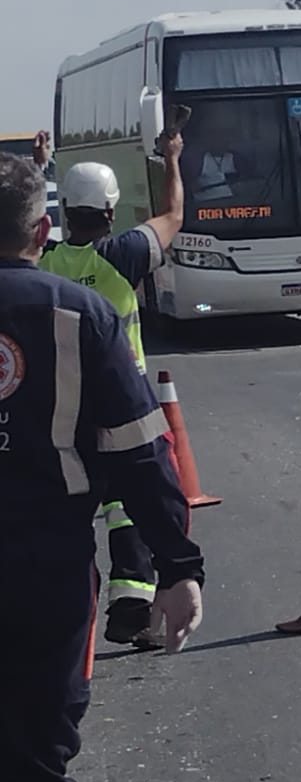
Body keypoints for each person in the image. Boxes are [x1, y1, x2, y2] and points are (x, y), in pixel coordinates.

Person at [0, 153, 204, 782]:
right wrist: (178, 566)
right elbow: (144, 455)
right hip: (46, 571)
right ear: (39, 230)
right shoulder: (84, 309)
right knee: (35, 752)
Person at [34, 130, 186, 649]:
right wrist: (171, 160)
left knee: (69, 512)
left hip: (60, 410)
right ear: (111, 210)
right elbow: (173, 218)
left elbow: (32, 229)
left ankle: (67, 621)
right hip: (122, 405)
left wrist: (44, 169)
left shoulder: (47, 263)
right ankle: (131, 609)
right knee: (130, 507)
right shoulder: (122, 254)